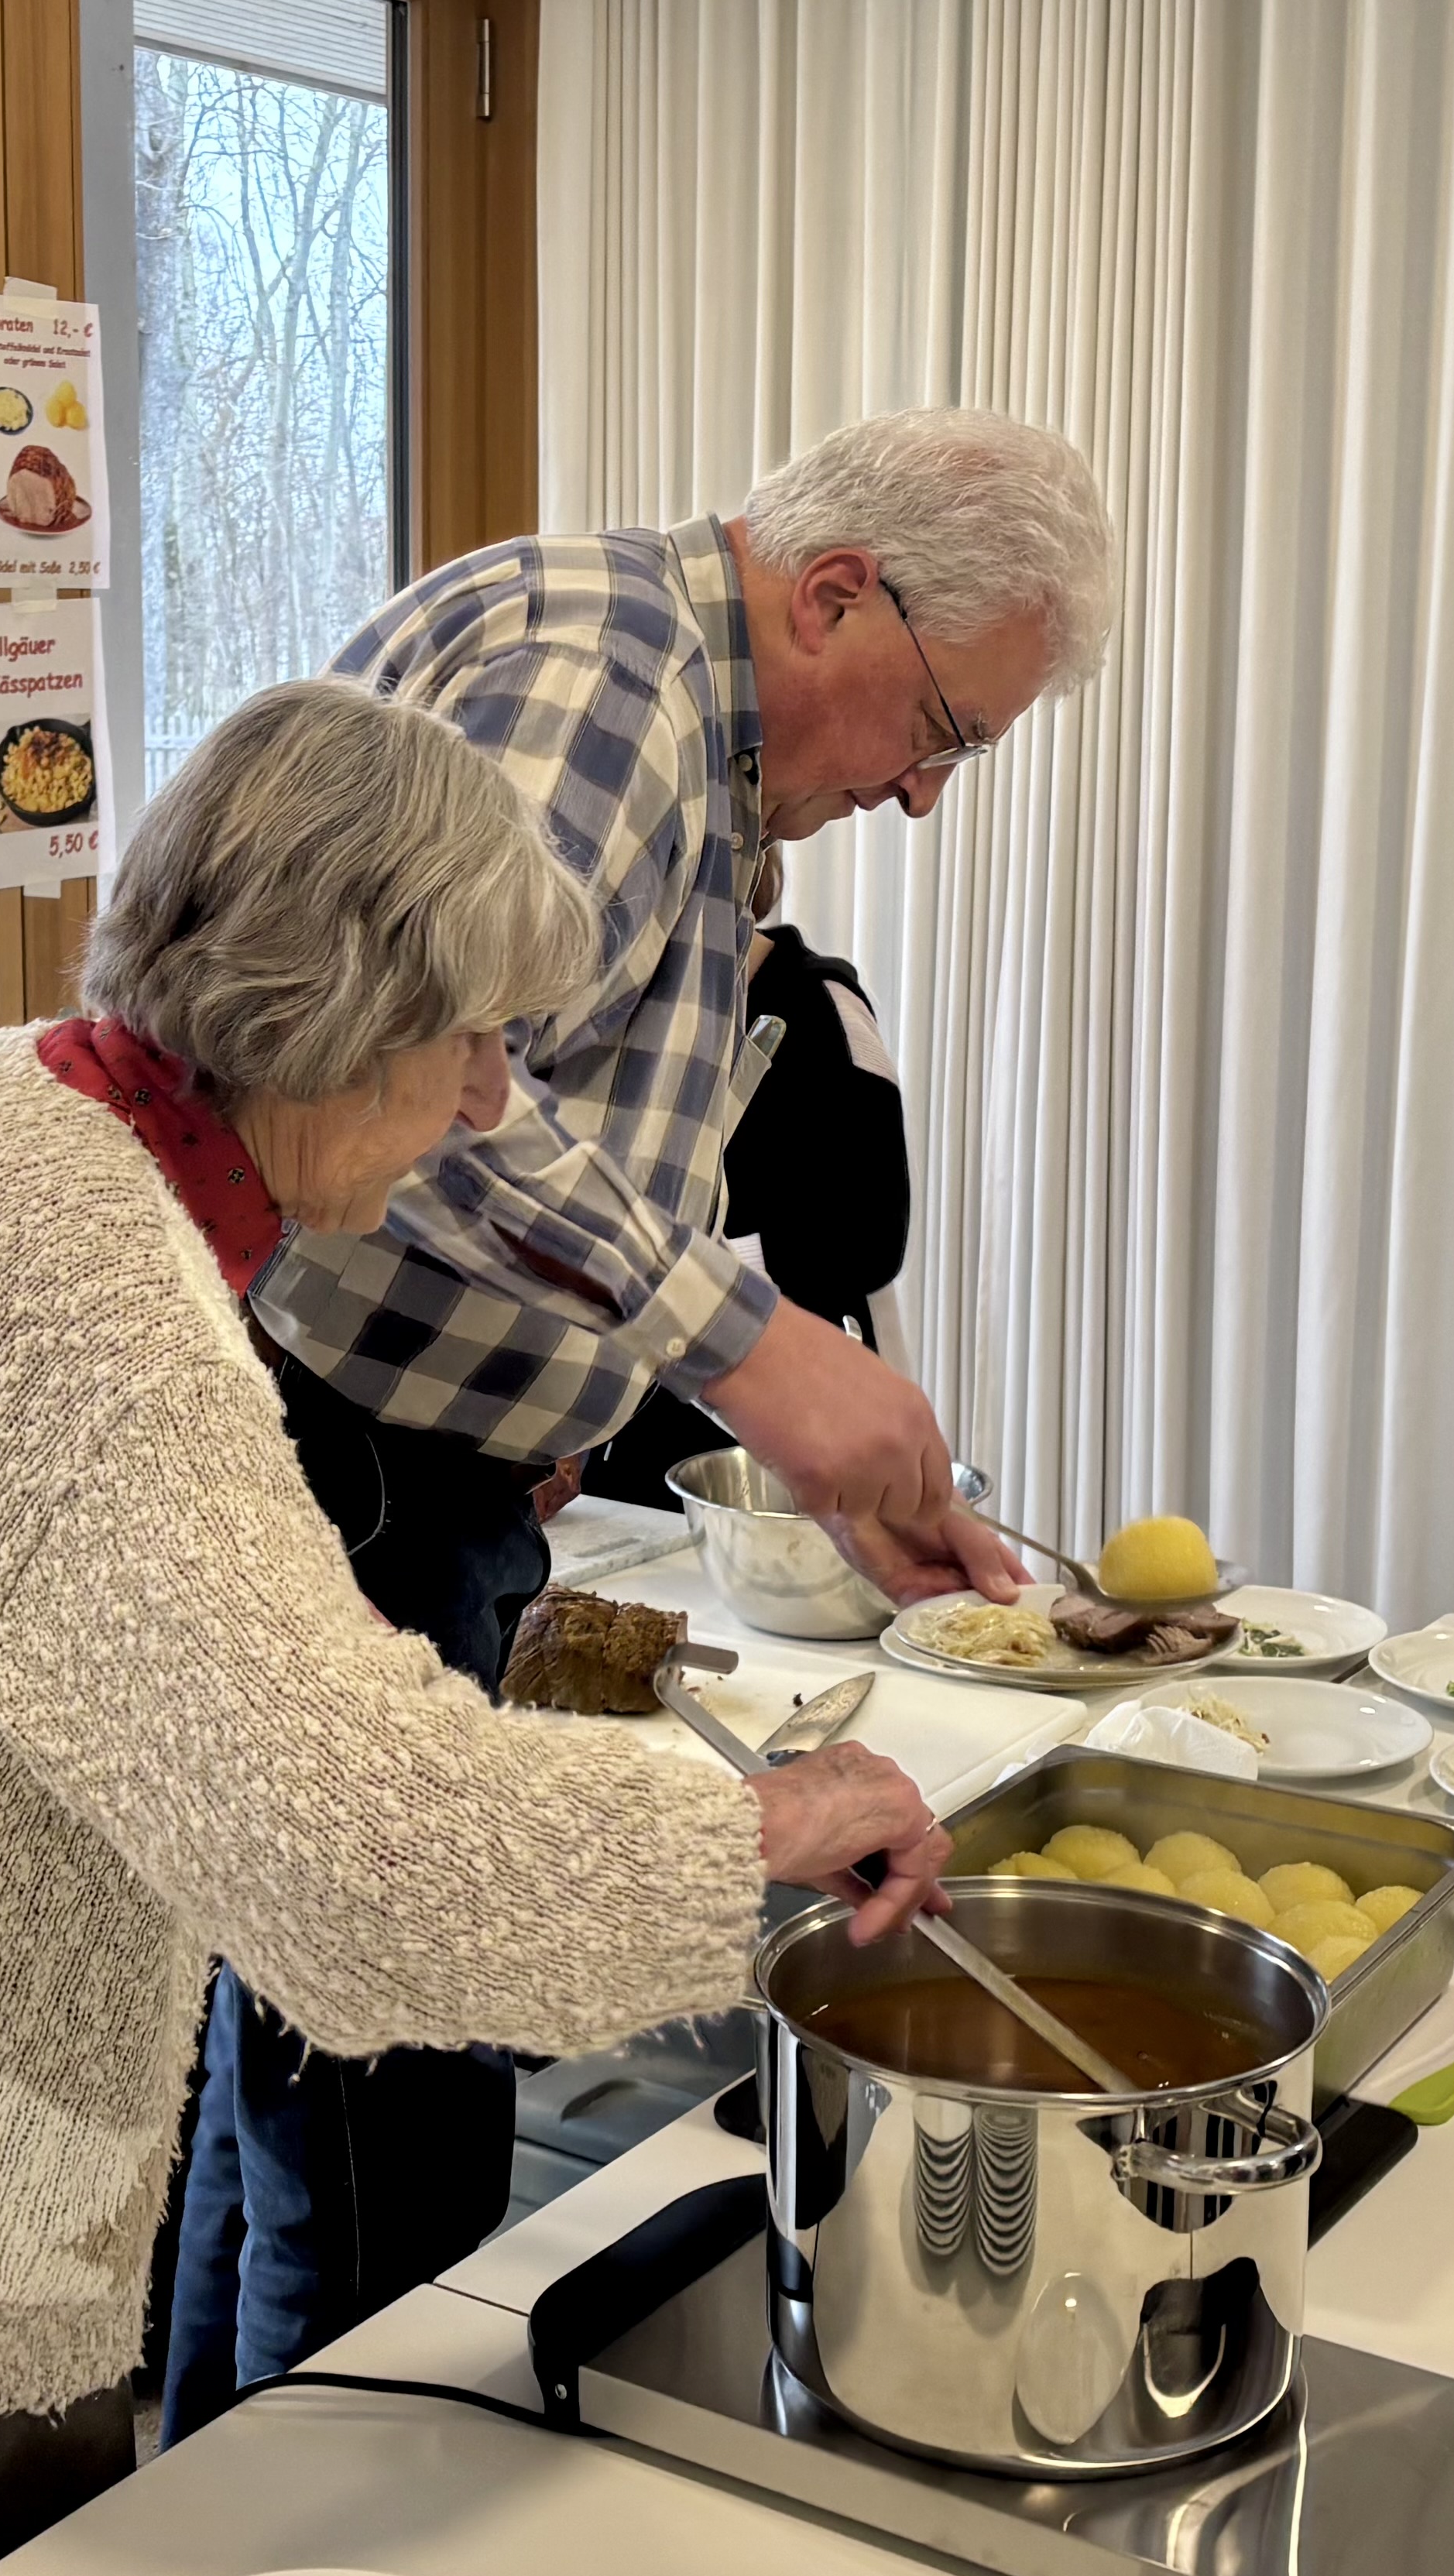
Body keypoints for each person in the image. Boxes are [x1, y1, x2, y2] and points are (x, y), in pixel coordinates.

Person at [0, 680, 953, 2559]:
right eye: (467, 1037)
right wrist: (763, 1835)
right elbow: (368, 1859)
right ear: (327, 1012)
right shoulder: (93, 1295)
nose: (486, 1099)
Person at [163, 406, 1120, 2437]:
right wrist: (754, 1349)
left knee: (302, 2100)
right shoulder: (598, 695)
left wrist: (730, 1417)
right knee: (378, 2128)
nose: (931, 798)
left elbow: (567, 1126)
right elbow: (410, 1070)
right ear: (836, 589)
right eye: (947, 730)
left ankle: (192, 2526)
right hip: (340, 1473)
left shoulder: (678, 727)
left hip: (417, 1478)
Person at [585, 859, 916, 1507]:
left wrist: (704, 1265)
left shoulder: (826, 1009)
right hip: (623, 1426)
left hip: (765, 1433)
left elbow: (874, 1239)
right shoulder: (626, 1016)